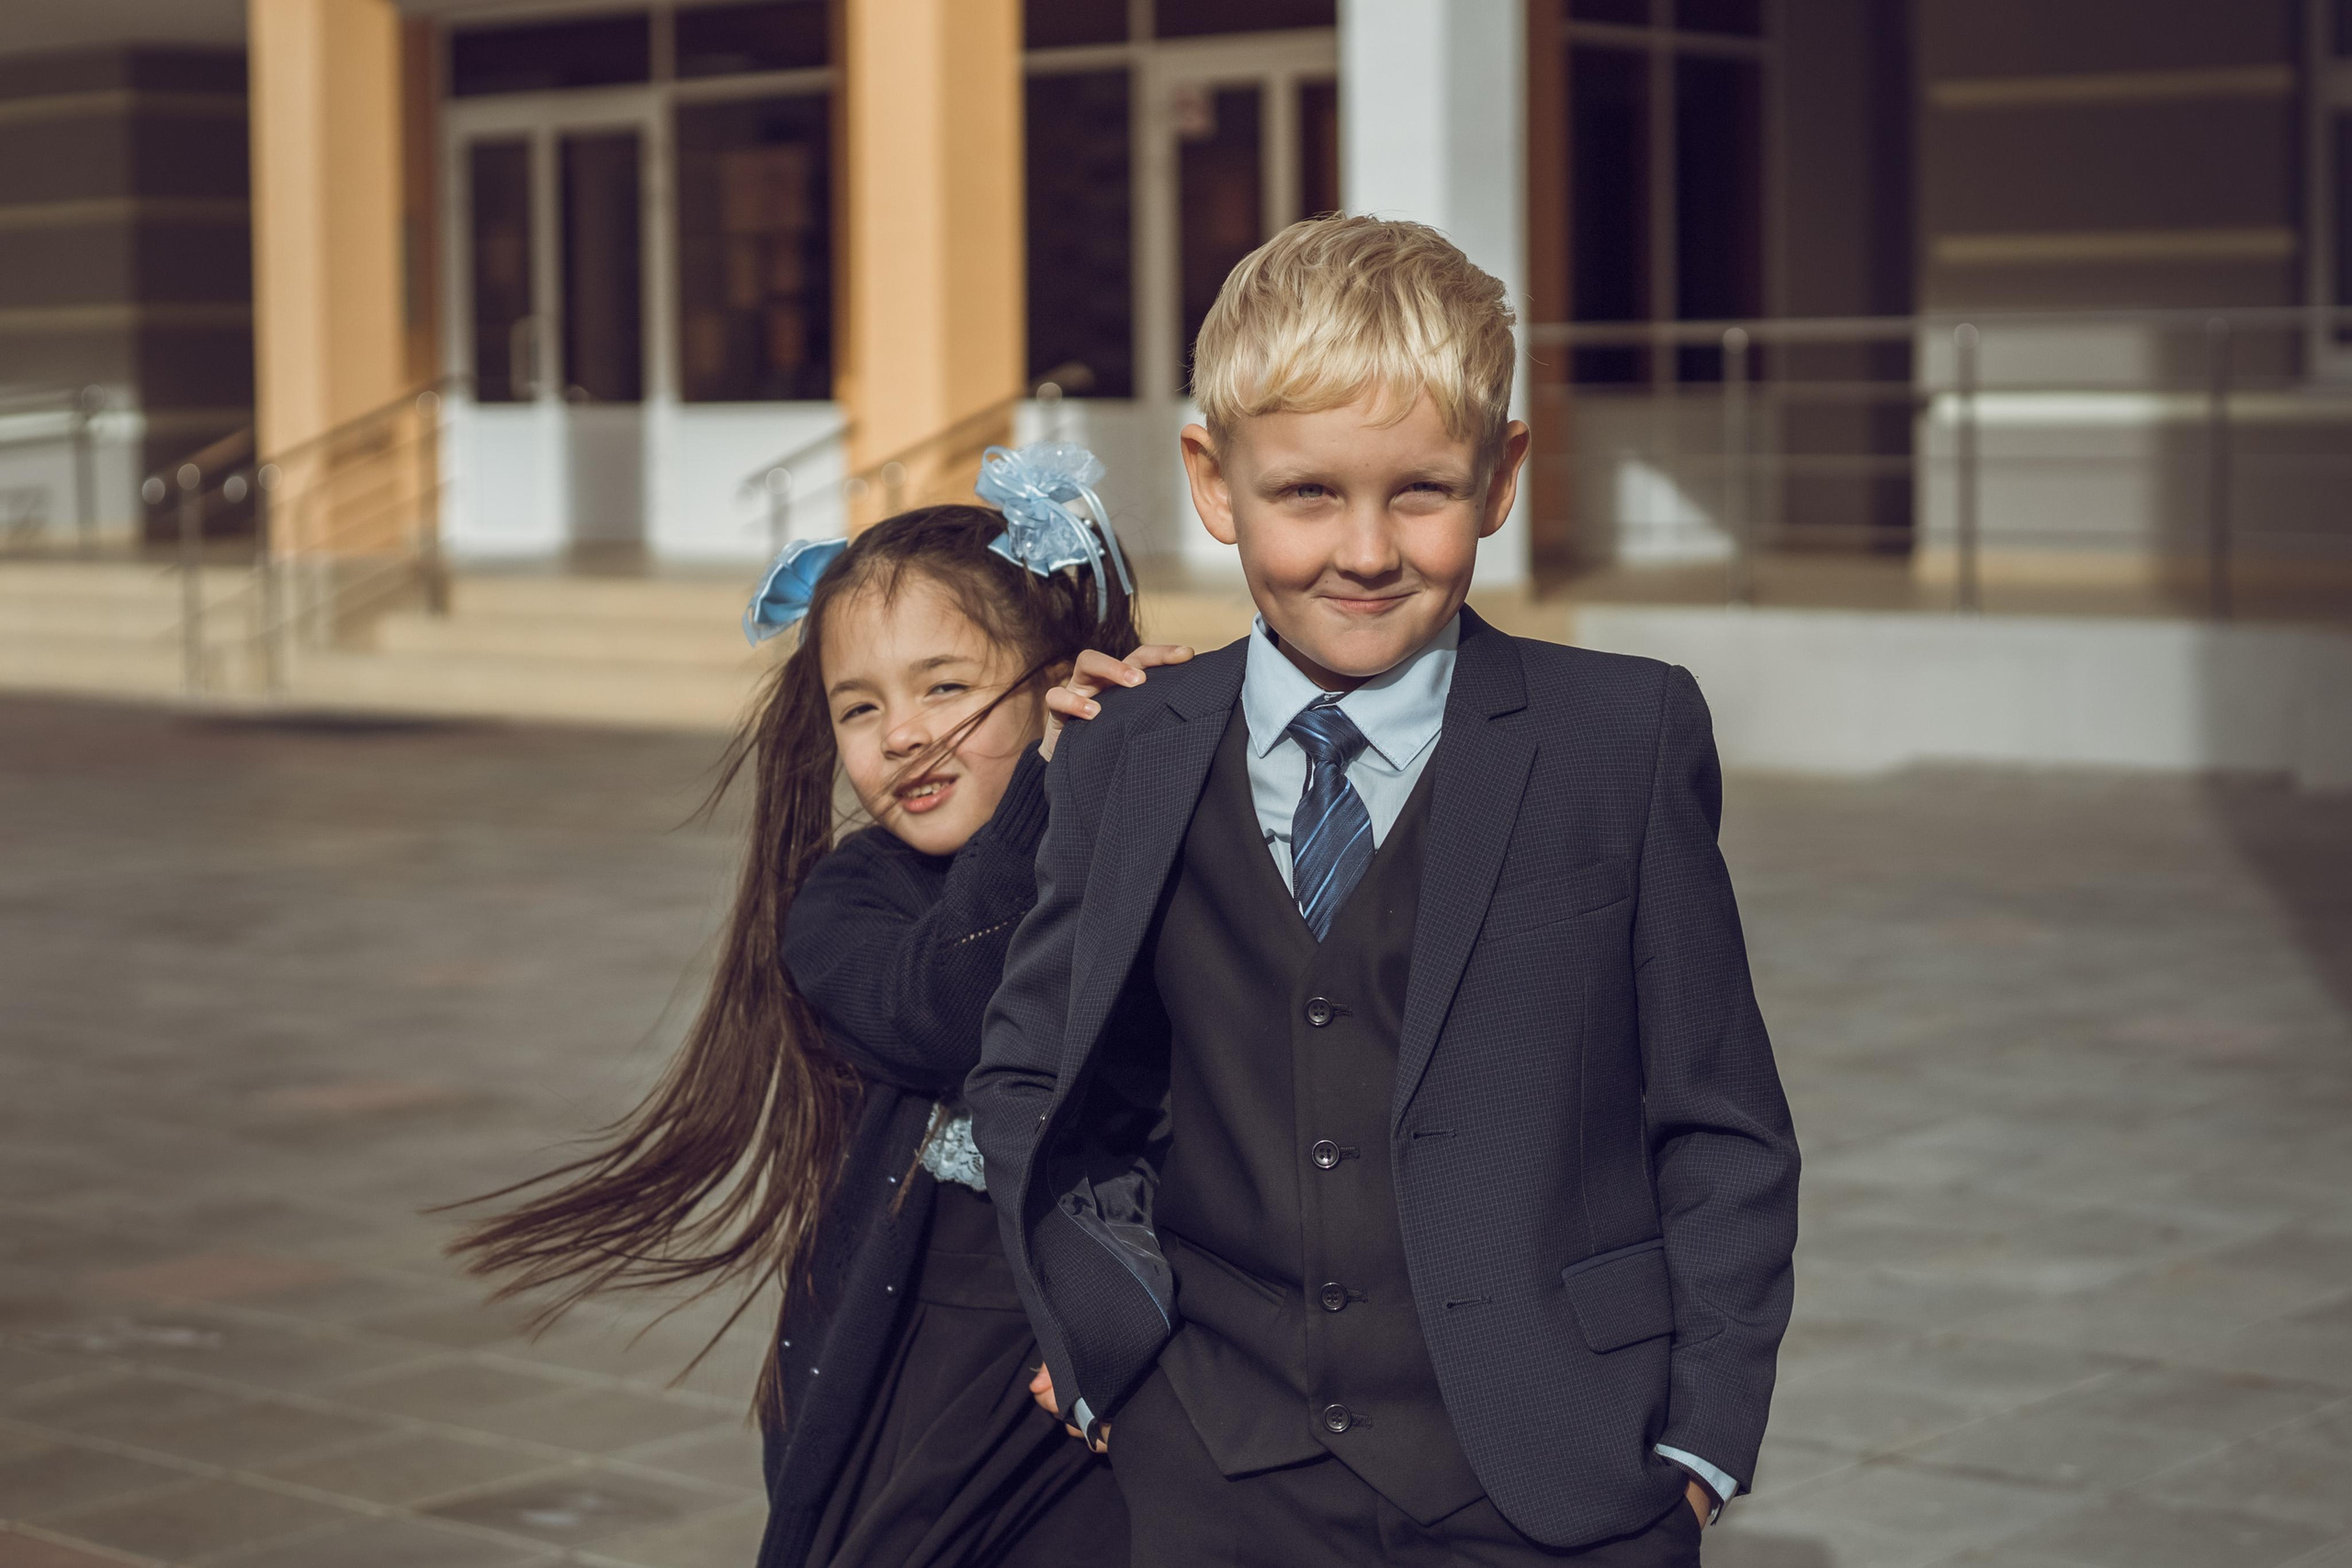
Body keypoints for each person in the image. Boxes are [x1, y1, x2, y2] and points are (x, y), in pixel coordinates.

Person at [967, 217, 1801, 1567]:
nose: (1365, 550)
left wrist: (1699, 1448)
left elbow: (1721, 1120)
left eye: (1421, 491)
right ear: (1213, 483)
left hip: (1555, 1479)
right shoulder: (1128, 747)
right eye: (1306, 492)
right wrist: (1100, 1326)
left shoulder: (1621, 737)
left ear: (1501, 476)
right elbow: (1036, 1074)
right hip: (1215, 1470)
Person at [451, 447, 1188, 1568]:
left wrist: (1155, 753)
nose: (902, 734)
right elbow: (951, 1005)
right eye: (860, 706)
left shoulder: (1152, 858)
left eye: (945, 688)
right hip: (929, 1374)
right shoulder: (850, 902)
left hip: (1119, 1368)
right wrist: (1051, 786)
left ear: (1059, 678)